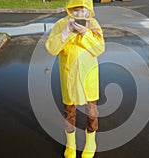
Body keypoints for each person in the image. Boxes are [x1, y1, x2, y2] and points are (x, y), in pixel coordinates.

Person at [45, 0, 105, 157]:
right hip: (69, 75)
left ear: (89, 10)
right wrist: (66, 32)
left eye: (83, 10)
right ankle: (70, 144)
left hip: (88, 76)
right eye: (76, 10)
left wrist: (86, 33)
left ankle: (91, 142)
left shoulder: (93, 24)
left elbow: (99, 49)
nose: (79, 14)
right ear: (70, 9)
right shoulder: (61, 24)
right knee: (69, 111)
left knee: (91, 109)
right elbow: (51, 49)